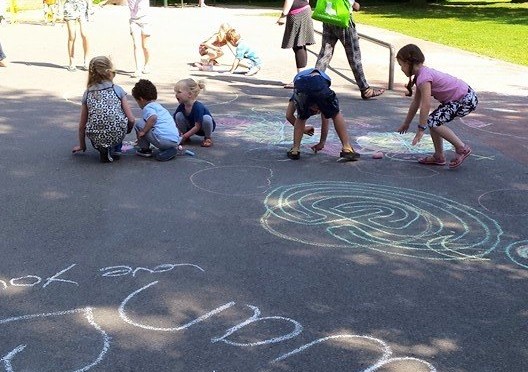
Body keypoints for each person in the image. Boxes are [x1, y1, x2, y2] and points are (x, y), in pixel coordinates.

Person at [396, 44, 477, 169]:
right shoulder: (421, 75)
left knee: (433, 121)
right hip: (462, 97)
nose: (401, 69)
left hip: (464, 99)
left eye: (401, 65)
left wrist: (421, 129)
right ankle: (439, 156)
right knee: (434, 120)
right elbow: (416, 103)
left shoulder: (423, 77)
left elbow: (425, 104)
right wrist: (406, 123)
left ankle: (461, 148)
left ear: (408, 63)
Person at [314, 0, 384, 100]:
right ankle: (365, 89)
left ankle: (314, 84)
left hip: (328, 19)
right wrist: (356, 4)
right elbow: (354, 6)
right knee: (354, 56)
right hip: (343, 21)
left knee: (325, 54)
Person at [287, 68, 360, 161]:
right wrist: (305, 130)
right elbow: (289, 116)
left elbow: (289, 116)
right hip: (317, 84)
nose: (318, 111)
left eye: (318, 110)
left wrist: (321, 142)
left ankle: (295, 149)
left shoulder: (298, 96)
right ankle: (347, 148)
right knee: (335, 114)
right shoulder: (298, 97)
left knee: (301, 117)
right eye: (316, 110)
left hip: (305, 85)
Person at [72, 56, 135, 163]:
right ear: (110, 71)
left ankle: (103, 148)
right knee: (117, 121)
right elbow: (131, 119)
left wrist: (82, 146)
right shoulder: (117, 89)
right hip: (117, 133)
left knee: (98, 126)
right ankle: (116, 148)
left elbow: (81, 126)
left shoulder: (88, 93)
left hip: (96, 137)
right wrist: (127, 130)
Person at [131, 79, 181, 160]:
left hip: (164, 141)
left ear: (141, 99)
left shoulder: (148, 107)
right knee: (147, 125)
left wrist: (143, 132)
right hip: (175, 140)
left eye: (137, 101)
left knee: (139, 124)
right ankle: (169, 149)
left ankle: (145, 150)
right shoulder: (158, 106)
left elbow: (153, 117)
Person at [277, 0, 315, 87]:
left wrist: (283, 15)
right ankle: (303, 76)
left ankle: (300, 79)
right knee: (301, 45)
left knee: (298, 45)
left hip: (297, 13)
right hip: (304, 9)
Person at [173, 78, 216, 148]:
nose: (176, 95)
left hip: (202, 129)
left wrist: (183, 137)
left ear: (189, 94)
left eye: (179, 92)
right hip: (191, 126)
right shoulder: (182, 106)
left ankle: (208, 138)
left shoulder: (198, 107)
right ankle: (186, 136)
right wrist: (177, 135)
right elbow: (175, 122)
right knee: (178, 116)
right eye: (175, 92)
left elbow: (197, 126)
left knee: (206, 118)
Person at [63, 0, 91, 71]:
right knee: (72, 35)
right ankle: (72, 61)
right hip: (69, 6)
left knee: (84, 34)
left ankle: (86, 60)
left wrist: (90, 7)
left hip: (82, 6)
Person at [128, 0, 151, 78]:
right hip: (133, 20)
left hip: (145, 19)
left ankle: (147, 64)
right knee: (136, 45)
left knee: (145, 46)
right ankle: (138, 69)